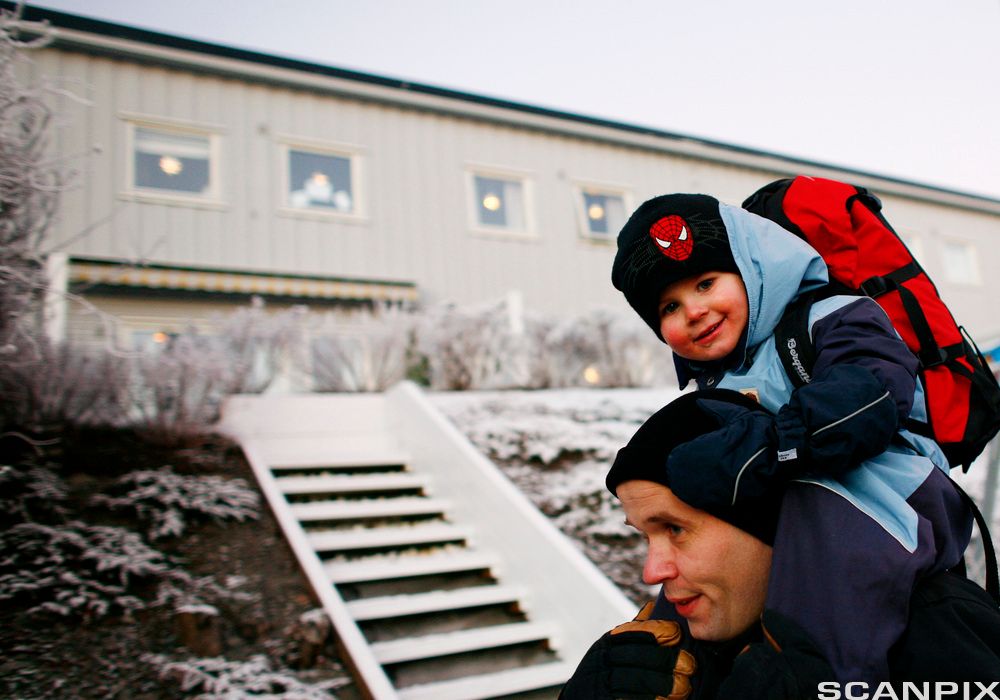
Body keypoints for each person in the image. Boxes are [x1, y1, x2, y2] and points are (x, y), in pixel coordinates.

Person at [608, 193, 973, 682]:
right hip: (806, 498)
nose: (694, 310)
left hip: (898, 491)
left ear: (751, 268)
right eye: (670, 306)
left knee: (816, 561)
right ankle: (664, 669)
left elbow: (871, 394)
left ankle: (824, 682)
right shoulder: (716, 379)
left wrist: (776, 443)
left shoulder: (832, 316)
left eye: (706, 283)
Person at [560, 390, 1000, 699]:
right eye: (645, 536)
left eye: (674, 529)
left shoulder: (938, 628)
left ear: (764, 520)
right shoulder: (671, 655)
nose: (652, 572)